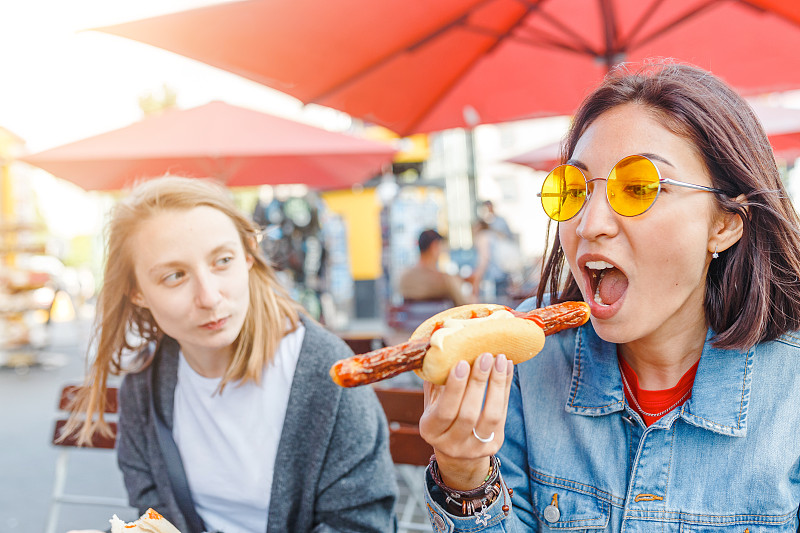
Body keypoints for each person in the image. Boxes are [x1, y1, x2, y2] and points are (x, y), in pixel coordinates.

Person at [418, 60, 800, 532]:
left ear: (723, 224)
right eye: (574, 190)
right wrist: (464, 475)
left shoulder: (791, 393)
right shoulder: (521, 362)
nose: (589, 223)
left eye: (638, 188)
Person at [63, 176, 397, 533]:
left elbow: (364, 525)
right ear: (137, 292)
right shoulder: (144, 388)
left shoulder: (325, 375)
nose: (209, 297)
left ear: (249, 254)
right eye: (175, 276)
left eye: (222, 260)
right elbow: (153, 512)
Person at [398, 229, 471, 306]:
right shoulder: (446, 280)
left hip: (413, 318)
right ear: (434, 246)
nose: (443, 251)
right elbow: (465, 305)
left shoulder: (404, 277)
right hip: (440, 317)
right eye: (441, 246)